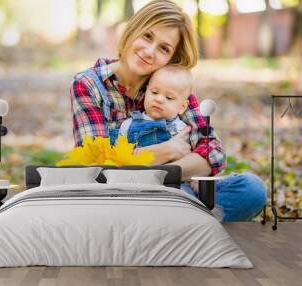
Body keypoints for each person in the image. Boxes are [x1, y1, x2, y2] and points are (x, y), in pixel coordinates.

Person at [69, 0, 266, 221]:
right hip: (125, 200)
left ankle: (180, 222)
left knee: (251, 189)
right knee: (169, 201)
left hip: (179, 190)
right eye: (147, 36)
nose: (149, 52)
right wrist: (168, 149)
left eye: (164, 48)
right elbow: (99, 168)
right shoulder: (88, 84)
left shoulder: (171, 87)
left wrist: (157, 172)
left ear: (171, 58)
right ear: (133, 30)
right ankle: (191, 223)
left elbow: (213, 151)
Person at [118, 65, 191, 148]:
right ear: (146, 92)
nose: (159, 99)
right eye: (154, 92)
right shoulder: (128, 125)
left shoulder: (182, 130)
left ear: (182, 107)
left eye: (169, 97)